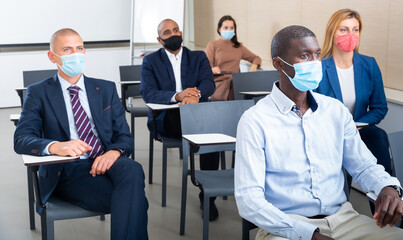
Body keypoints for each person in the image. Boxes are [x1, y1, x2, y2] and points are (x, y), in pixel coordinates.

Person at [234, 25, 403, 240]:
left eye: (317, 54)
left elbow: (364, 166)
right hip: (286, 226)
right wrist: (308, 234)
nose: (315, 63)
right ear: (278, 63)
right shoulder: (255, 121)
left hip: (344, 219)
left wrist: (387, 187)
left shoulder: (335, 111)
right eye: (304, 56)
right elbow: (249, 200)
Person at [14, 28, 148, 240]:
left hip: (105, 160)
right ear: (52, 57)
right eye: (67, 50)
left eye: (79, 48)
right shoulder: (38, 92)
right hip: (69, 170)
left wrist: (113, 153)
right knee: (134, 199)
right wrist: (57, 146)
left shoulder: (105, 88)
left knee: (132, 168)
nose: (75, 54)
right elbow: (21, 139)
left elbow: (125, 137)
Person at [140, 19, 219, 220]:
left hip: (197, 111)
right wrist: (178, 96)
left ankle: (208, 196)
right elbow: (148, 93)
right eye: (167, 32)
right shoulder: (150, 61)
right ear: (160, 39)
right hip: (169, 118)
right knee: (206, 128)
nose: (173, 34)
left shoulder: (198, 56)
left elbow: (208, 83)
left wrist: (195, 95)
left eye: (176, 30)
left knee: (213, 137)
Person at [315, 9, 391, 174]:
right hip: (330, 132)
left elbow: (379, 107)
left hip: (359, 129)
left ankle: (388, 193)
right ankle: (343, 197)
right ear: (332, 32)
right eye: (344, 30)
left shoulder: (369, 64)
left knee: (378, 136)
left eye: (355, 30)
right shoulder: (318, 67)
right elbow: (311, 108)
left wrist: (355, 126)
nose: (350, 34)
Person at [205, 15, 262, 101]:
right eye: (226, 27)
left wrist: (254, 65)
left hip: (236, 80)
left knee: (242, 87)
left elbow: (256, 58)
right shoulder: (212, 45)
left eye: (231, 28)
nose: (229, 30)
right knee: (237, 89)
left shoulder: (238, 47)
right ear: (219, 29)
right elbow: (206, 67)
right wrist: (213, 69)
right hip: (220, 81)